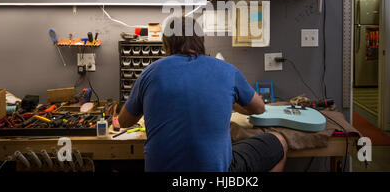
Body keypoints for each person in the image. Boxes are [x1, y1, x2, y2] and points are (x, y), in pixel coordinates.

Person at [118, 16, 288, 172]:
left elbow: (124, 122)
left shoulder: (150, 72)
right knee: (279, 141)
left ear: (166, 44)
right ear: (200, 40)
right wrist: (230, 100)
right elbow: (259, 108)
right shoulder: (226, 70)